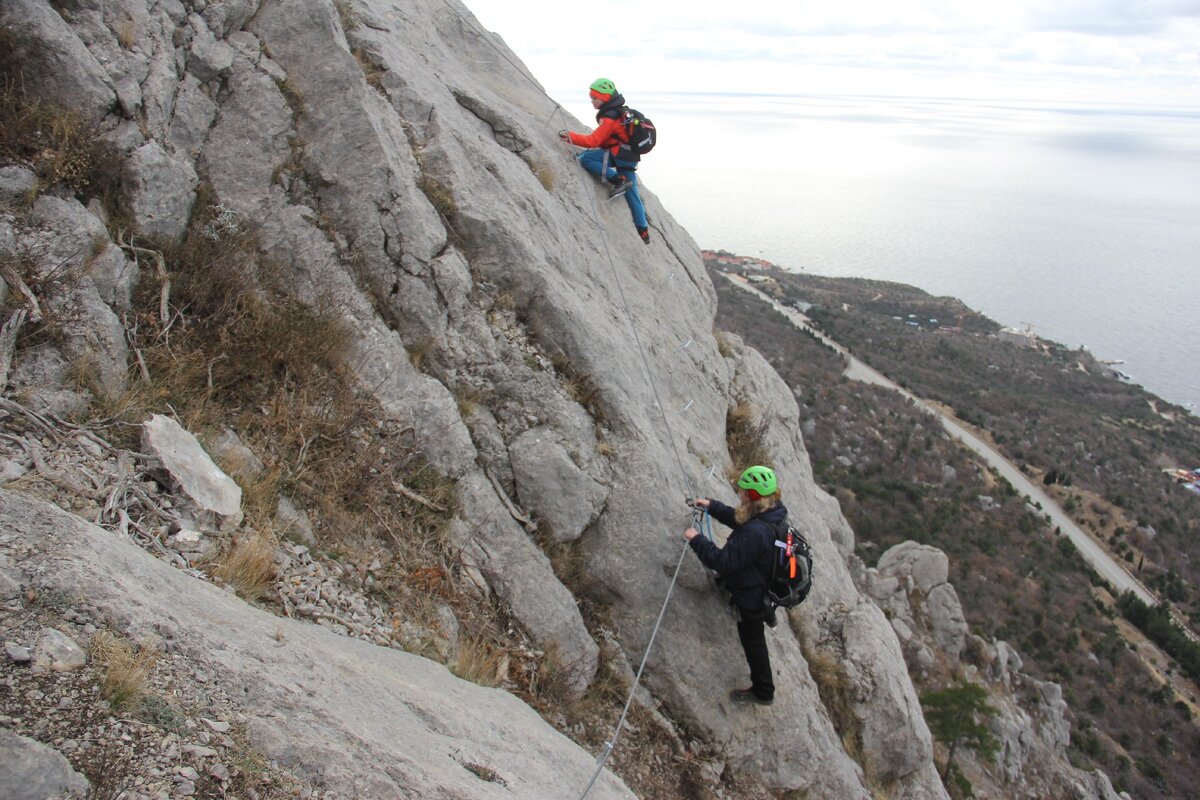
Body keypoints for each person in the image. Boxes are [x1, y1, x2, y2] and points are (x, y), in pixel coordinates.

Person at [684, 465, 785, 706]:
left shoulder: (756, 532)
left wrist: (696, 539)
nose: (739, 493)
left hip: (752, 597)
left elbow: (723, 561)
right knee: (752, 636)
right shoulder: (770, 512)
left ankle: (763, 691)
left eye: (743, 491)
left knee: (752, 640)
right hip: (758, 577)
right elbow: (739, 520)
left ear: (752, 496)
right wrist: (712, 506)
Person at [558, 78, 651, 245]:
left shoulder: (609, 117)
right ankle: (643, 231)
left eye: (595, 98)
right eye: (591, 98)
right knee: (633, 195)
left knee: (587, 158)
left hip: (619, 155)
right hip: (629, 158)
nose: (592, 101)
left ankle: (617, 179)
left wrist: (570, 137)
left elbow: (593, 141)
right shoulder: (622, 111)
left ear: (605, 97)